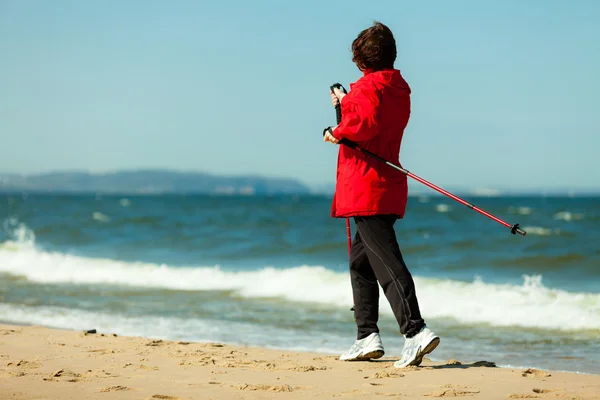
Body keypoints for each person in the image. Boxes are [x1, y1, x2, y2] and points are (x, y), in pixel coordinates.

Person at [323, 21, 439, 368]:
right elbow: (371, 121)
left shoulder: (368, 88)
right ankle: (366, 336)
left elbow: (363, 125)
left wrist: (336, 130)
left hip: (367, 186)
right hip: (385, 183)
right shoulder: (396, 88)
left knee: (386, 261)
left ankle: (415, 331)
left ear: (362, 61)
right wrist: (346, 105)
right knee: (360, 262)